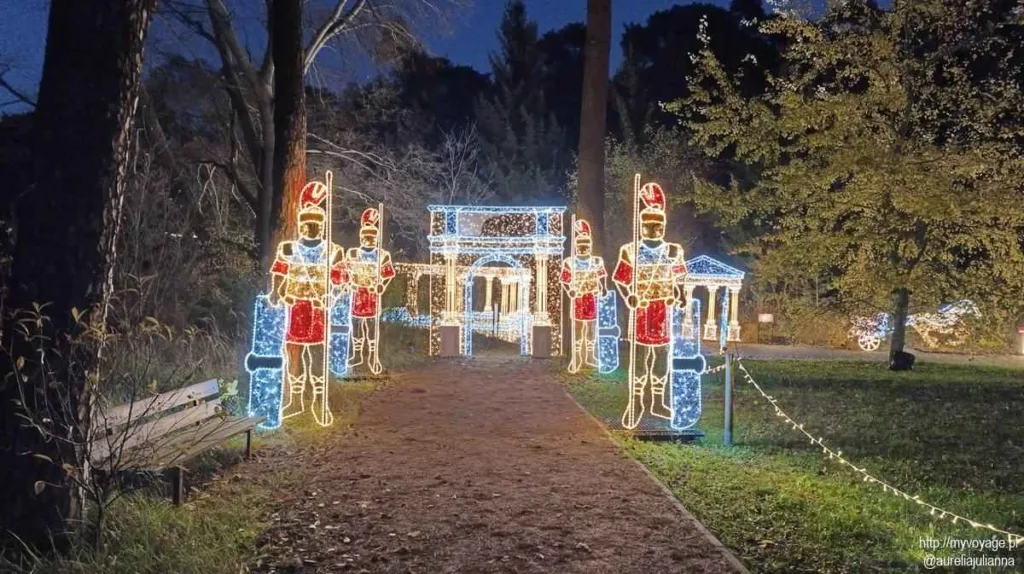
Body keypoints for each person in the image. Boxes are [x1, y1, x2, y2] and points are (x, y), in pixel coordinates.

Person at [268, 180, 345, 426]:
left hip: (317, 308)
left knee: (317, 354)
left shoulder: (332, 251)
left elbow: (341, 278)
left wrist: (332, 295)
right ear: (301, 224)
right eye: (306, 223)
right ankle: (296, 399)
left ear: (321, 226)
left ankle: (320, 401)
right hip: (295, 306)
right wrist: (276, 293)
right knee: (293, 353)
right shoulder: (289, 248)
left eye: (315, 224)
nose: (310, 228)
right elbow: (278, 274)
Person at [613, 182, 688, 429]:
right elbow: (621, 279)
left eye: (658, 225)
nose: (653, 229)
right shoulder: (630, 250)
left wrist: (681, 295)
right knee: (640, 356)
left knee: (662, 356)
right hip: (642, 309)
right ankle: (635, 401)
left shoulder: (673, 251)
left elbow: (678, 278)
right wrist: (629, 297)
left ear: (663, 226)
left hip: (663, 310)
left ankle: (657, 400)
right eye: (648, 225)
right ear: (642, 225)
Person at [346, 207, 395, 374]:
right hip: (358, 294)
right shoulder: (353, 253)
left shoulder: (382, 255)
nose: (369, 240)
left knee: (372, 326)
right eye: (366, 237)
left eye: (372, 237)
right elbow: (345, 272)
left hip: (373, 295)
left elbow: (388, 274)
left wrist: (382, 285)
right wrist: (349, 283)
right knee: (357, 324)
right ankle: (357, 354)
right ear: (361, 237)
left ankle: (373, 355)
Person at [559, 219, 607, 373]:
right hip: (578, 298)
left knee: (592, 328)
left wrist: (603, 288)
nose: (583, 248)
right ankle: (577, 357)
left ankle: (591, 356)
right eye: (580, 246)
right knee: (579, 328)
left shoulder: (596, 261)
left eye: (586, 246)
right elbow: (565, 280)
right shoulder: (570, 262)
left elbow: (601, 276)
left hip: (591, 297)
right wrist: (569, 291)